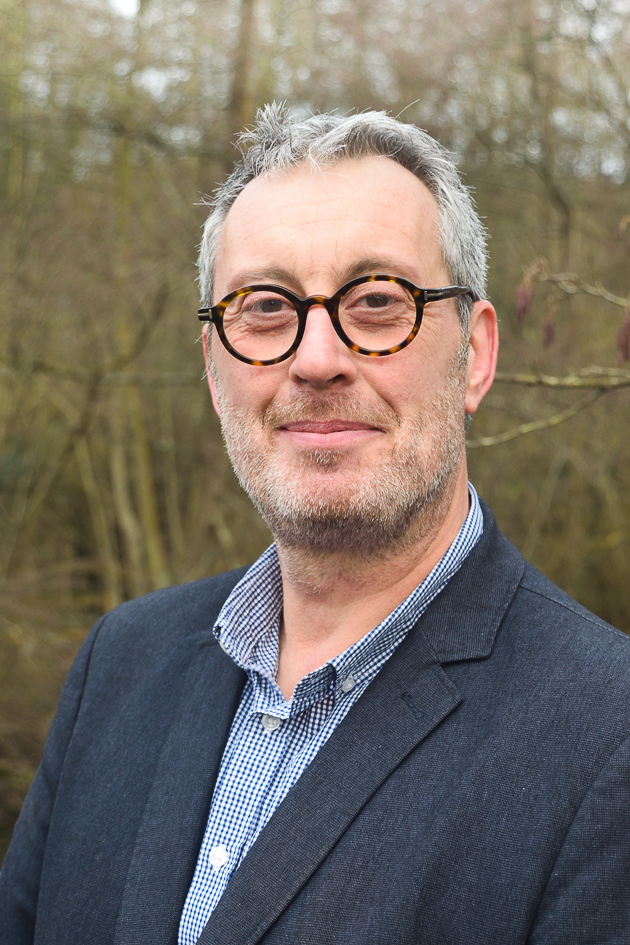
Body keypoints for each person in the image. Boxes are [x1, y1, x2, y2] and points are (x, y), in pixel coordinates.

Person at [2, 104, 630, 945]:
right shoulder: (118, 665)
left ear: (475, 356)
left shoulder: (607, 736)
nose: (317, 359)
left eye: (377, 301)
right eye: (266, 306)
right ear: (214, 369)